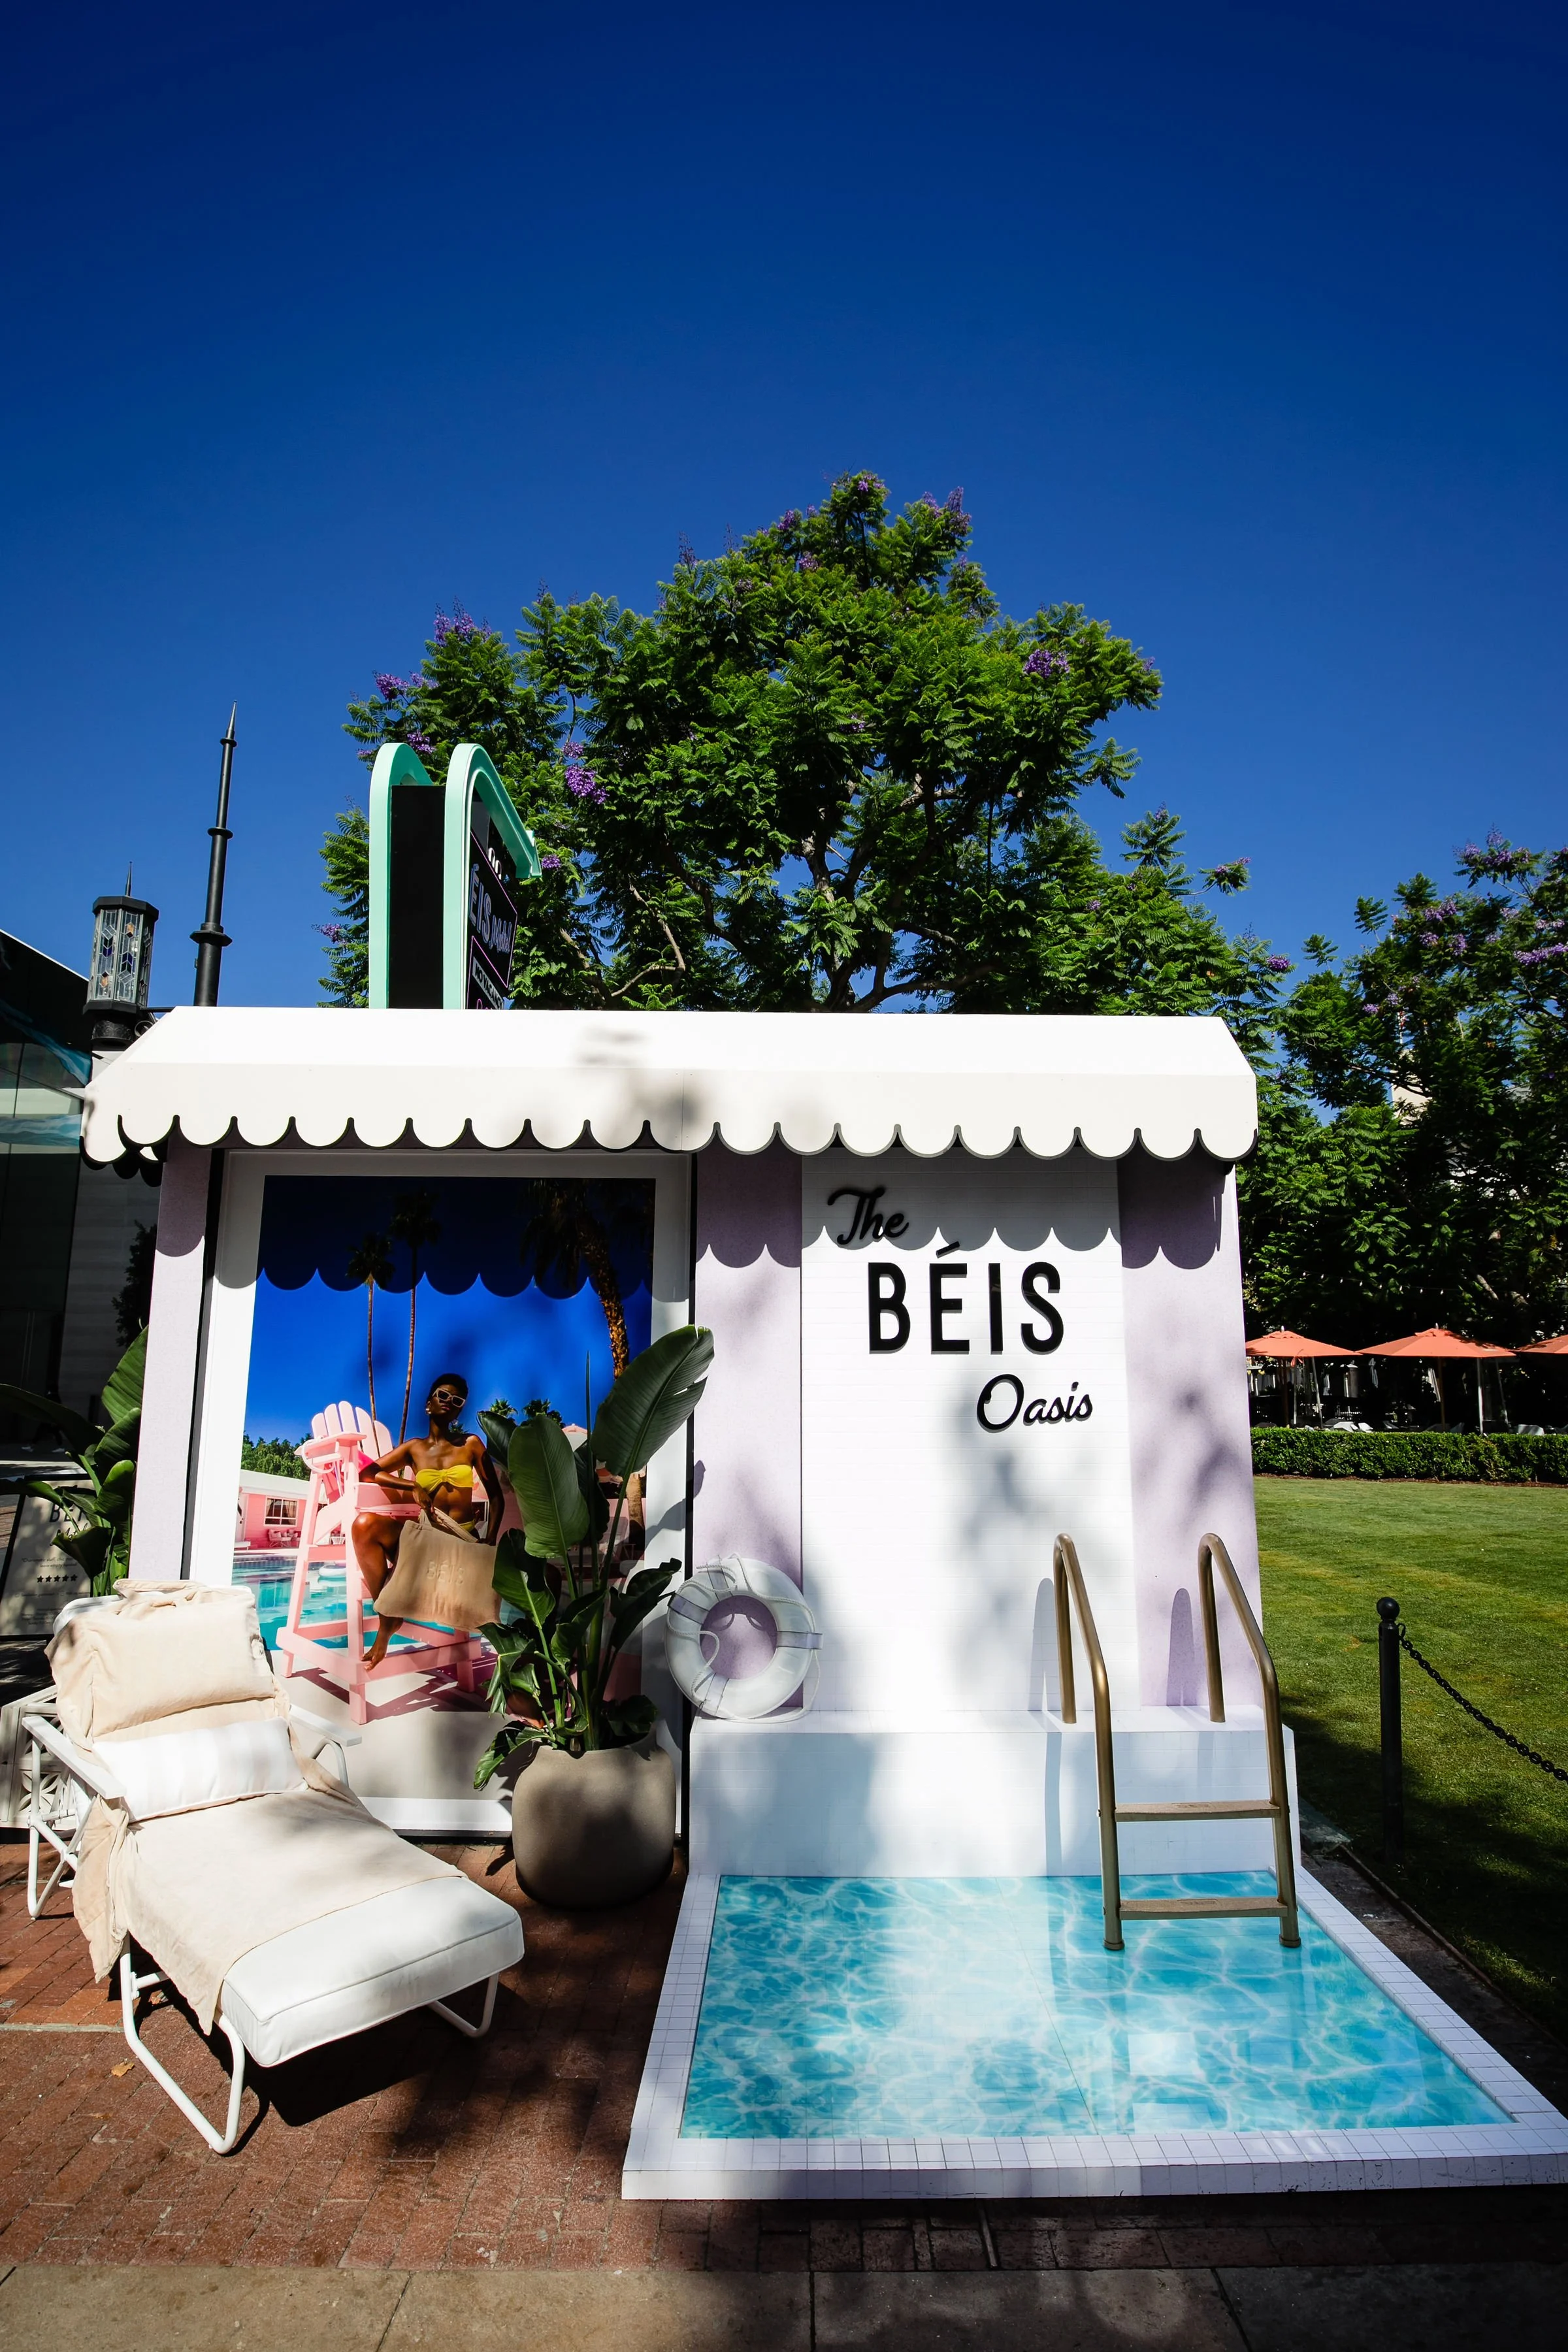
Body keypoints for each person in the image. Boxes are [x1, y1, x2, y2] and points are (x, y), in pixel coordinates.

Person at [351, 1373, 504, 1669]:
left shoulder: (471, 1445)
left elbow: (497, 1497)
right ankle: (388, 1615)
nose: (449, 1402)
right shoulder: (414, 1449)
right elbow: (368, 1473)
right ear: (428, 1404)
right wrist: (412, 1486)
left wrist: (490, 1540)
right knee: (364, 1525)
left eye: (457, 1400)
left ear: (460, 1410)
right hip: (427, 1540)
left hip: (462, 1541)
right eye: (443, 1395)